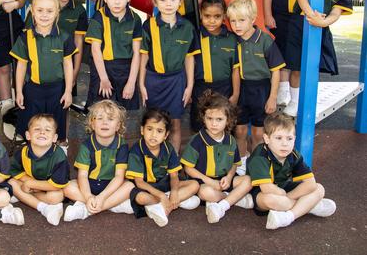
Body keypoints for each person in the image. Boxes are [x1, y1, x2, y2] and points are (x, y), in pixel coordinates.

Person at [283, 0, 354, 116]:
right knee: (295, 65)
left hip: (320, 27)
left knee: (313, 66)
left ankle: (305, 98)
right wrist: (311, 15)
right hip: (300, 22)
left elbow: (336, 12)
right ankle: (292, 100)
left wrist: (323, 22)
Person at [247, 112, 336, 230]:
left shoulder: (293, 154)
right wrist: (292, 197)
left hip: (284, 189)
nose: (285, 143)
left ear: (294, 139)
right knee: (271, 200)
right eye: (278, 138)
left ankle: (288, 217)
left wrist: (288, 197)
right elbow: (267, 188)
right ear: (266, 139)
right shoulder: (260, 156)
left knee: (319, 188)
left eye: (289, 138)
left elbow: (310, 183)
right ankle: (310, 207)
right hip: (261, 193)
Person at [10, 0, 76, 146]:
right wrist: (19, 91)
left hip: (57, 90)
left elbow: (68, 65)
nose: (44, 15)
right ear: (32, 10)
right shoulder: (25, 37)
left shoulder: (65, 37)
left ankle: (58, 152)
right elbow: (21, 65)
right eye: (40, 10)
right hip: (33, 90)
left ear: (57, 12)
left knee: (56, 126)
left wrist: (68, 91)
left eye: (49, 11)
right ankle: (30, 154)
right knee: (32, 126)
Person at [227, 0, 285, 174]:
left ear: (253, 19)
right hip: (242, 88)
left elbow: (276, 71)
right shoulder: (233, 40)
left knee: (259, 134)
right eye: (233, 21)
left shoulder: (265, 40)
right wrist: (235, 95)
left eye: (241, 20)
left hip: (262, 89)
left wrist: (273, 97)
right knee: (240, 130)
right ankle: (242, 162)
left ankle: (258, 162)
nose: (236, 25)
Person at [139, 0, 198, 151]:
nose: (168, 4)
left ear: (180, 0)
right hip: (153, 80)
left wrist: (190, 85)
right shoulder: (149, 25)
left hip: (176, 81)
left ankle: (173, 163)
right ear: (155, 1)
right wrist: (141, 84)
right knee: (153, 124)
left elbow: (189, 58)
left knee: (175, 124)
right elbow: (144, 56)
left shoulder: (187, 27)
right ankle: (153, 161)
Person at [181, 92, 254, 224]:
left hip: (224, 180)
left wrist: (230, 177)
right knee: (205, 193)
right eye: (210, 118)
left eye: (219, 119)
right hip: (204, 181)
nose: (214, 124)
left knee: (248, 180)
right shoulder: (197, 140)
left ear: (228, 120)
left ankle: (222, 205)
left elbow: (235, 164)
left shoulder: (231, 141)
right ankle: (233, 199)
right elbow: (188, 168)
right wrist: (209, 181)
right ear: (204, 118)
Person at [126, 108, 200, 227]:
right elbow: (139, 182)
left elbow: (174, 175)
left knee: (195, 185)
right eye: (149, 129)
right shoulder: (136, 150)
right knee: (140, 198)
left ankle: (162, 206)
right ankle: (168, 203)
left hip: (164, 184)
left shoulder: (168, 148)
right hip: (146, 187)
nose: (153, 135)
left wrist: (175, 192)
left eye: (159, 131)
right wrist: (161, 196)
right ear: (142, 130)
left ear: (166, 135)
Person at [63, 100, 134, 221]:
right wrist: (88, 196)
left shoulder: (121, 145)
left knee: (130, 186)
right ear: (92, 124)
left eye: (110, 119)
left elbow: (118, 177)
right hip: (90, 184)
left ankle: (87, 210)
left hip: (111, 186)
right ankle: (111, 205)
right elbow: (83, 176)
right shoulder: (86, 146)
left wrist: (101, 197)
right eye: (100, 118)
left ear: (118, 126)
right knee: (67, 187)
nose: (105, 122)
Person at [85, 0, 142, 111]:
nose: (117, 2)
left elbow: (136, 53)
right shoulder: (98, 17)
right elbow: (95, 50)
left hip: (126, 71)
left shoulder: (135, 19)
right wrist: (103, 79)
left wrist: (132, 82)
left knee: (123, 113)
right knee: (101, 111)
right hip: (102, 68)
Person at [190, 0, 240, 132]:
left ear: (224, 16)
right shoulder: (195, 36)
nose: (212, 21)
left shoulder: (232, 38)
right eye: (207, 16)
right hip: (200, 89)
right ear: (200, 14)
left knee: (224, 127)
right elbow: (189, 65)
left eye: (217, 16)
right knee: (200, 127)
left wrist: (235, 94)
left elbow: (236, 69)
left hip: (224, 89)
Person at [9, 114, 70, 226]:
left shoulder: (59, 156)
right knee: (11, 183)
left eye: (47, 130)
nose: (42, 132)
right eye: (37, 129)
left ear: (55, 138)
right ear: (28, 135)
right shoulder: (22, 152)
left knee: (56, 197)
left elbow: (56, 185)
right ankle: (44, 208)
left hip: (49, 187)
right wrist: (28, 182)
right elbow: (14, 170)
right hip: (30, 184)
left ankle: (23, 196)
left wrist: (32, 184)